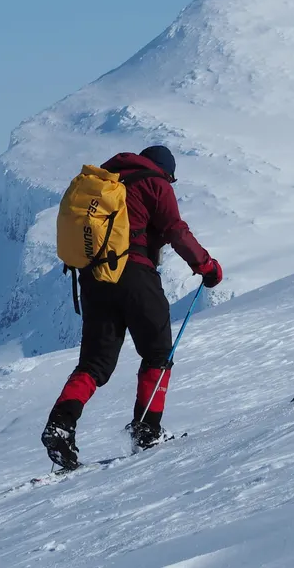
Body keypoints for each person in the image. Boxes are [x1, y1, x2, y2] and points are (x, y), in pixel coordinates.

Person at [41, 145, 223, 469]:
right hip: (134, 274)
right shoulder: (155, 183)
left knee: (95, 363)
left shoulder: (106, 181)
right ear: (166, 171)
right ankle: (147, 431)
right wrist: (206, 266)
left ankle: (61, 424)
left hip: (94, 279)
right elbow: (176, 231)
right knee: (158, 352)